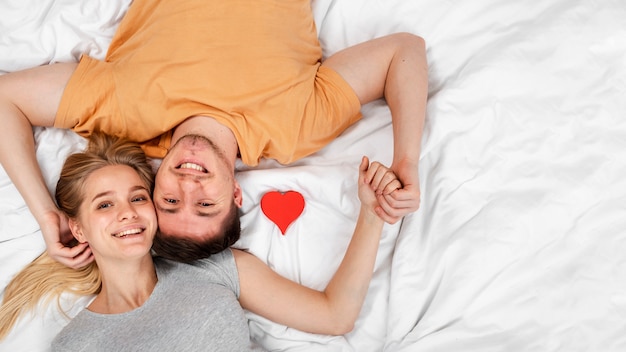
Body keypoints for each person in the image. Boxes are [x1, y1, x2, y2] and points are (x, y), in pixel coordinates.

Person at [0, 0, 427, 267]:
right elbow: (403, 51)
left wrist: (46, 214)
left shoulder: (118, 111)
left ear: (151, 187)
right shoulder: (296, 128)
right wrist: (407, 159)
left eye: (170, 200)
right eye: (206, 203)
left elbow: (5, 100)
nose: (189, 183)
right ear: (237, 195)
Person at [0, 133, 398, 350]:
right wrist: (48, 217)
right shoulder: (75, 344)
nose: (128, 213)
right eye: (105, 205)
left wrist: (371, 211)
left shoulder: (214, 269)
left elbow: (334, 316)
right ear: (80, 228)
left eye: (138, 197)